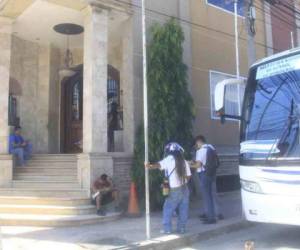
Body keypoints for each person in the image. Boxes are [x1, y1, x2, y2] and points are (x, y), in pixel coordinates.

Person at [146, 142, 191, 234]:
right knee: (183, 209)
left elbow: (158, 165)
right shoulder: (184, 161)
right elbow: (189, 176)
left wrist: (148, 166)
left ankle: (167, 229)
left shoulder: (169, 159)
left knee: (168, 208)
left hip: (174, 189)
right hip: (184, 188)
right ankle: (181, 228)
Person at [190, 135, 223, 224]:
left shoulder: (200, 151)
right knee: (211, 195)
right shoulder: (211, 147)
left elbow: (198, 165)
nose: (196, 147)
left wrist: (189, 165)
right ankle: (213, 214)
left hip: (204, 174)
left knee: (206, 196)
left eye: (195, 145)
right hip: (212, 173)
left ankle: (211, 218)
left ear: (198, 142)